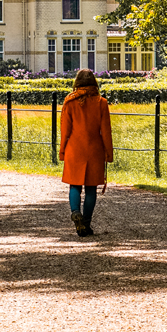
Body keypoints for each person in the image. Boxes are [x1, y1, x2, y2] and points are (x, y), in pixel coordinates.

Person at [59, 69, 113, 237]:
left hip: (74, 149)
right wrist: (109, 153)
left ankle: (76, 212)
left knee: (74, 185)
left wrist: (62, 151)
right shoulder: (101, 103)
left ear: (77, 83)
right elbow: (106, 131)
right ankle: (86, 223)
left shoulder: (69, 102)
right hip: (94, 150)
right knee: (91, 189)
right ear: (94, 83)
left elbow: (65, 130)